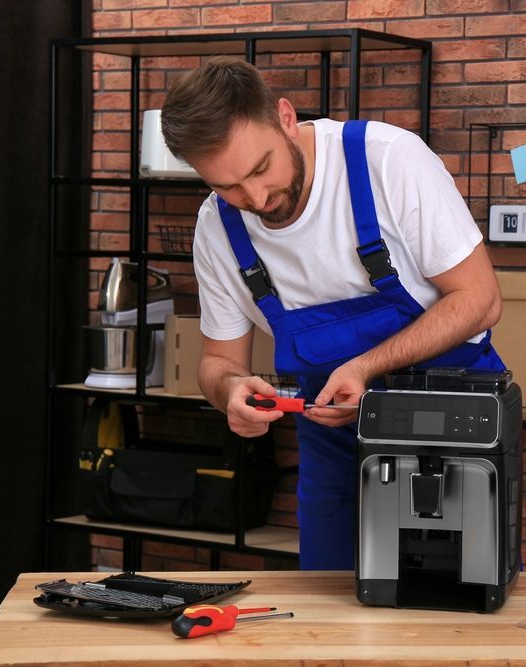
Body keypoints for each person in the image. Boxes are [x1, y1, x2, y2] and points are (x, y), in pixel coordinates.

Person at [160, 57, 505, 570]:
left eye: (260, 169)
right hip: (333, 442)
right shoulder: (216, 228)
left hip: (453, 425)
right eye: (226, 186)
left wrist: (366, 367)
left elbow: (480, 299)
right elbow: (217, 361)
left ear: (284, 117)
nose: (255, 198)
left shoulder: (386, 161)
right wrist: (229, 390)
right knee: (327, 605)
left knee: (454, 602)